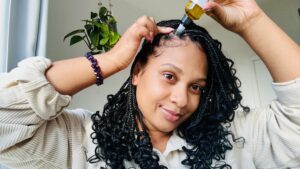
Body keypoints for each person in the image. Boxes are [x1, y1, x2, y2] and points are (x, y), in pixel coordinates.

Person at [1, 0, 300, 168]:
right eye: (169, 76)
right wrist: (110, 61)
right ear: (137, 72)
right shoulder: (77, 139)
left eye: (196, 86)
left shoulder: (235, 138)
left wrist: (252, 21)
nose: (182, 99)